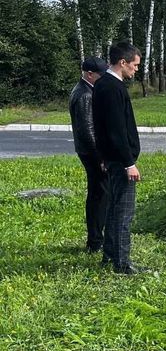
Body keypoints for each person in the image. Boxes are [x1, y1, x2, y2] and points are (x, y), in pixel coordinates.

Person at [92, 42, 143, 275]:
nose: (136, 69)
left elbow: (100, 127)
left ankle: (110, 255)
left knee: (113, 209)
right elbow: (115, 130)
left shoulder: (102, 84)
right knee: (123, 212)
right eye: (134, 65)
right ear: (122, 62)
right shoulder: (113, 88)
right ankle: (121, 263)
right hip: (120, 161)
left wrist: (104, 156)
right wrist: (129, 163)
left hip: (111, 158)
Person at [69, 56, 109, 253]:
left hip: (89, 151)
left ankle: (96, 238)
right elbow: (87, 131)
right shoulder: (85, 95)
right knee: (99, 194)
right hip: (92, 154)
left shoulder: (85, 89)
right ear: (90, 74)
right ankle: (95, 240)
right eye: (101, 75)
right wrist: (101, 157)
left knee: (99, 193)